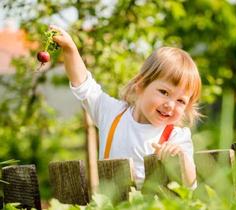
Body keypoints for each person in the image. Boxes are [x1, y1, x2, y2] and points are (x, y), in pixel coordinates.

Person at [50, 25, 202, 190]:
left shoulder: (176, 137)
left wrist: (181, 159)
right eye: (164, 92)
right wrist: (70, 49)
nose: (170, 105)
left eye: (181, 101)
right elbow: (84, 86)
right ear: (141, 86)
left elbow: (190, 185)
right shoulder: (113, 114)